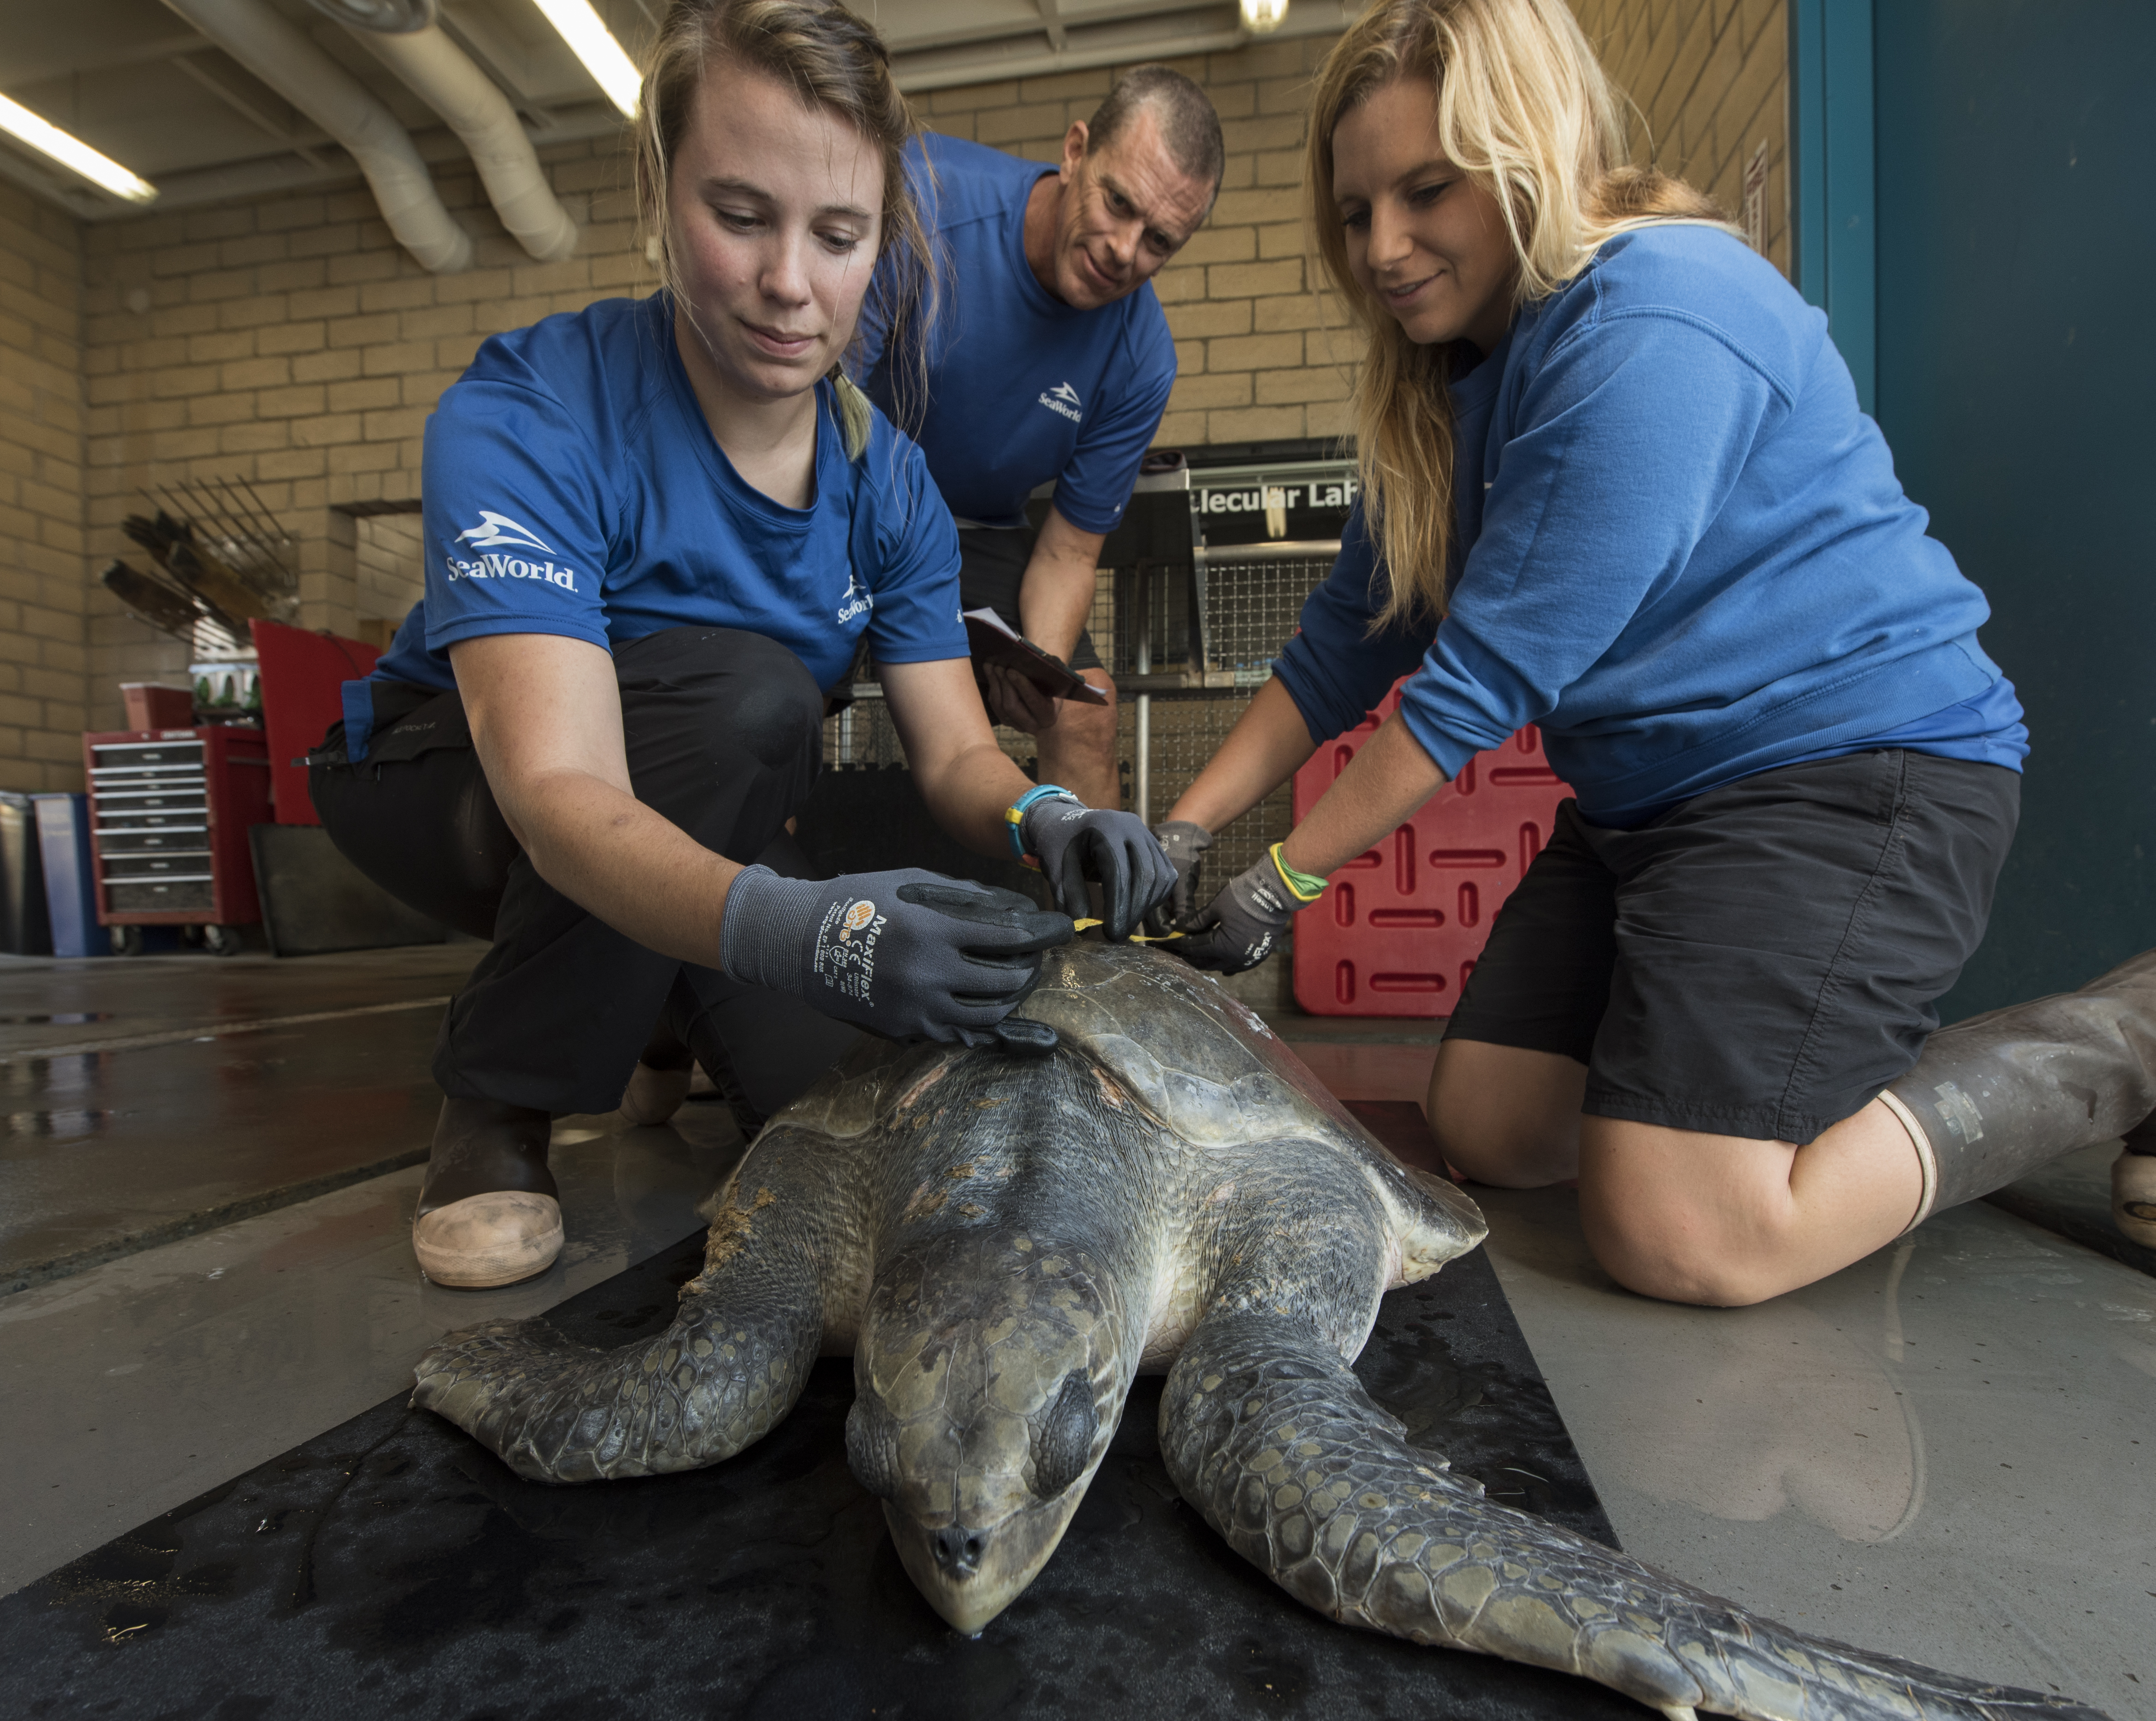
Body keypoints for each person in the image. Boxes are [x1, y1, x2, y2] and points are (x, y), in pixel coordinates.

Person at [1151, 0, 2156, 1306]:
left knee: (1683, 1229)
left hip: (1848, 774)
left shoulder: (1652, 314)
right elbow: (1344, 646)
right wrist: (1177, 833)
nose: (1384, 247)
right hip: (1644, 806)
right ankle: (1746, 1080)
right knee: (1493, 1129)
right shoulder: (1446, 379)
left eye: (1426, 191)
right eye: (1354, 213)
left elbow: (1478, 685)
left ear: (1525, 153)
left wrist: (1279, 883)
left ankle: (2128, 1034)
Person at [309, 0, 1173, 1291]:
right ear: (660, 194)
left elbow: (949, 752)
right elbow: (558, 790)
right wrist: (813, 930)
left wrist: (1046, 812)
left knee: (832, 1106)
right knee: (746, 702)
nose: (790, 284)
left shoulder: (892, 486)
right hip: (451, 785)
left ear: (883, 242)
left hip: (702, 785)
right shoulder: (532, 410)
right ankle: (499, 1091)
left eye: (838, 235)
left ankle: (658, 1000)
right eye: (740, 214)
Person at [853, 67, 1223, 809]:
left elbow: (1066, 552)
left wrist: (1042, 664)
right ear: (1076, 150)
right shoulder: (923, 202)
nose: (1125, 250)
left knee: (1087, 707)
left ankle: (1095, 927)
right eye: (1118, 203)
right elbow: (820, 413)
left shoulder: (1141, 358)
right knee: (779, 688)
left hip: (976, 534)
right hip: (846, 490)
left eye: (1158, 241)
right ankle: (752, 914)